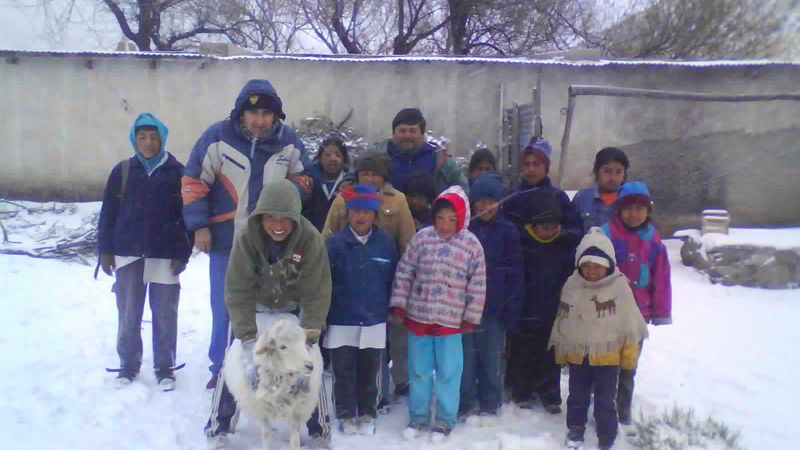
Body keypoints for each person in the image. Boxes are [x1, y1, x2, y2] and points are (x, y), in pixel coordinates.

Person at [181, 79, 309, 390]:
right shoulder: (216, 137)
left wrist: (286, 196)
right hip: (227, 240)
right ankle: (221, 368)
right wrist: (199, 225)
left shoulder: (288, 141)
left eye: (267, 113)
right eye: (253, 113)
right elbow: (194, 181)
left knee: (267, 306)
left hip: (271, 244)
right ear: (241, 114)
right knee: (225, 306)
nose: (260, 120)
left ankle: (262, 366)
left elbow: (306, 179)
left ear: (276, 116)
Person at [216, 179, 333, 446]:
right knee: (233, 363)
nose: (278, 226)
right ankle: (219, 425)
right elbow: (238, 289)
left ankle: (319, 430)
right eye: (270, 218)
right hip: (255, 308)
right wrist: (246, 338)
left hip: (292, 312)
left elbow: (317, 292)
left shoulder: (311, 240)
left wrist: (309, 337)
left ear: (295, 218)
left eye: (285, 219)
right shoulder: (247, 237)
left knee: (312, 367)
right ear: (261, 217)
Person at [96, 112, 192, 391]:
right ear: (134, 139)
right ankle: (128, 364)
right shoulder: (123, 171)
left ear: (162, 138)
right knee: (128, 312)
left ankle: (164, 367)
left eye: (153, 137)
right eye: (142, 137)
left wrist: (183, 253)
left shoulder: (178, 173)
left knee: (164, 313)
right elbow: (108, 213)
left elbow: (189, 215)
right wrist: (105, 250)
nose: (148, 142)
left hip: (165, 254)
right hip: (128, 252)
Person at [390, 186, 487, 442]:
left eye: (452, 219)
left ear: (462, 218)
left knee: (449, 373)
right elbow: (405, 270)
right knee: (419, 371)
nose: (445, 225)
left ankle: (444, 419)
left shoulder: (471, 246)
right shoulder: (422, 239)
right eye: (441, 218)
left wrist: (470, 316)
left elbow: (478, 284)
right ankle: (418, 416)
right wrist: (399, 303)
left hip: (451, 323)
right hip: (419, 318)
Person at [321, 153, 416, 403]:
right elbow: (327, 235)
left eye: (375, 174)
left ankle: (386, 389)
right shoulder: (343, 200)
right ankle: (351, 397)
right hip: (349, 276)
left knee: (385, 341)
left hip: (385, 273)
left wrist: (403, 283)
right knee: (351, 347)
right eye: (365, 173)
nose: (370, 178)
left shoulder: (397, 200)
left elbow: (407, 241)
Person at [548, 228, 648, 450]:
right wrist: (563, 350)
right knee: (577, 396)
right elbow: (564, 320)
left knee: (605, 400)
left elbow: (629, 326)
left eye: (597, 266)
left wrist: (629, 358)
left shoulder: (619, 287)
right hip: (578, 356)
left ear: (609, 264)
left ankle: (607, 434)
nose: (592, 271)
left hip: (608, 359)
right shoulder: (572, 285)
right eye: (586, 265)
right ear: (578, 265)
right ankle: (575, 428)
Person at [324, 184, 398, 436]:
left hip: (375, 319)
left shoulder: (386, 244)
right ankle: (345, 413)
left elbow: (393, 278)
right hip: (341, 319)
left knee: (371, 370)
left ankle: (368, 411)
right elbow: (325, 282)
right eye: (356, 210)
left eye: (367, 211)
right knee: (343, 371)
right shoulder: (334, 244)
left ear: (375, 214)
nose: (361, 217)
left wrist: (392, 308)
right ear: (348, 213)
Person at [600, 181, 672, 431]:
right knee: (606, 362)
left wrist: (660, 311)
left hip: (636, 316)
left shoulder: (652, 241)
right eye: (628, 208)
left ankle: (623, 406)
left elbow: (661, 277)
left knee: (628, 363)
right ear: (618, 210)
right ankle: (603, 404)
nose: (633, 214)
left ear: (648, 211)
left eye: (639, 209)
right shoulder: (605, 234)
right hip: (606, 314)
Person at [459, 173, 523, 424]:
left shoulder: (508, 231)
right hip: (465, 309)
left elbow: (516, 272)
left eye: (491, 201)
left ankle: (490, 401)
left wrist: (513, 306)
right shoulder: (465, 230)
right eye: (480, 201)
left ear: (500, 203)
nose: (485, 207)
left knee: (492, 357)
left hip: (496, 308)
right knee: (466, 358)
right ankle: (464, 401)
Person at [507, 190, 576, 414]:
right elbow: (517, 277)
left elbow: (568, 277)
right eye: (545, 227)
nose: (550, 232)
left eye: (554, 226)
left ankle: (550, 394)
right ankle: (522, 391)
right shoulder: (523, 245)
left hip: (551, 311)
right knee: (523, 353)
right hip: (527, 310)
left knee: (550, 356)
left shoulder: (562, 247)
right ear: (533, 226)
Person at [371, 108, 468, 195]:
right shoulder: (377, 155)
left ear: (422, 134)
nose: (407, 136)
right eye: (402, 131)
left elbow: (461, 189)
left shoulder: (439, 159)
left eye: (413, 131)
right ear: (393, 133)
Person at [505, 138, 581, 247]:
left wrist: (559, 235)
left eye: (536, 164)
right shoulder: (512, 198)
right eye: (527, 164)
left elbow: (574, 229)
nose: (531, 169)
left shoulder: (559, 197)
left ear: (546, 166)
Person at [572, 147, 629, 233]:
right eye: (607, 171)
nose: (612, 177)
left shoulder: (631, 200)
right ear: (597, 171)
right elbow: (571, 231)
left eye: (618, 172)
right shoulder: (581, 198)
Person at [303, 135, 351, 232]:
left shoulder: (351, 183)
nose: (333, 159)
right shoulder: (308, 180)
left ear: (344, 159)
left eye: (338, 155)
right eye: (327, 155)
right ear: (320, 158)